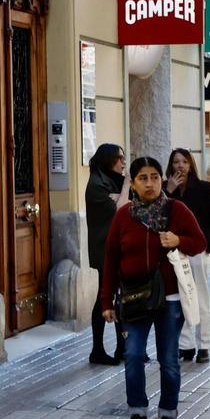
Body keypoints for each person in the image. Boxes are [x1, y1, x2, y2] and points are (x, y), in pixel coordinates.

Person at [101, 157, 206, 419]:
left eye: (155, 177)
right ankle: (137, 416)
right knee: (133, 356)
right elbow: (110, 258)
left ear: (162, 180)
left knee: (169, 360)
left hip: (169, 298)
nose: (150, 183)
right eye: (143, 178)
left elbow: (200, 243)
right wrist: (106, 302)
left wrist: (178, 240)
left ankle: (168, 418)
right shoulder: (124, 216)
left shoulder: (177, 211)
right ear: (133, 183)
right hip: (134, 299)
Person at [165, 149, 210, 363]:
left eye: (184, 162)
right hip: (174, 252)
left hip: (198, 250)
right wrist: (169, 191)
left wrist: (204, 244)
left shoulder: (203, 188)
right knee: (180, 298)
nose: (180, 166)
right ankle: (186, 345)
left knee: (200, 297)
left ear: (190, 165)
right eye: (176, 162)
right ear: (170, 166)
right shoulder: (165, 190)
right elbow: (159, 217)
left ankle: (204, 345)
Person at [85, 143, 129, 365]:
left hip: (119, 248)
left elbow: (130, 203)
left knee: (120, 297)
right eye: (120, 158)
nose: (124, 162)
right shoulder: (97, 184)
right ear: (108, 159)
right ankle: (98, 350)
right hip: (105, 250)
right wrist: (126, 189)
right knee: (106, 297)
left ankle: (124, 347)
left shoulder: (112, 180)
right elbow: (122, 208)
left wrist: (121, 195)